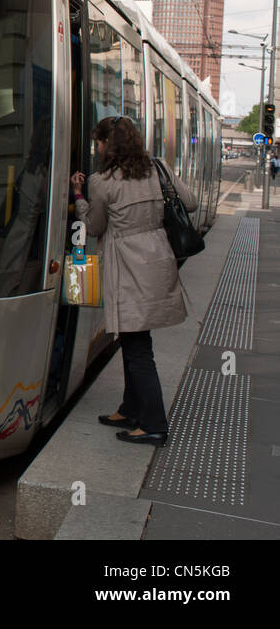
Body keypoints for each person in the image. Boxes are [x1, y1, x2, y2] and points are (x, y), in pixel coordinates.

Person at [70, 116, 197, 447]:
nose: (96, 148)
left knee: (138, 349)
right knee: (133, 340)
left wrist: (79, 197)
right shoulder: (158, 168)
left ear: (108, 146)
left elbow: (95, 226)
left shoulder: (102, 181)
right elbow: (192, 202)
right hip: (157, 262)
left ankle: (154, 424)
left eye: (98, 142)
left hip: (127, 267)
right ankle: (130, 409)